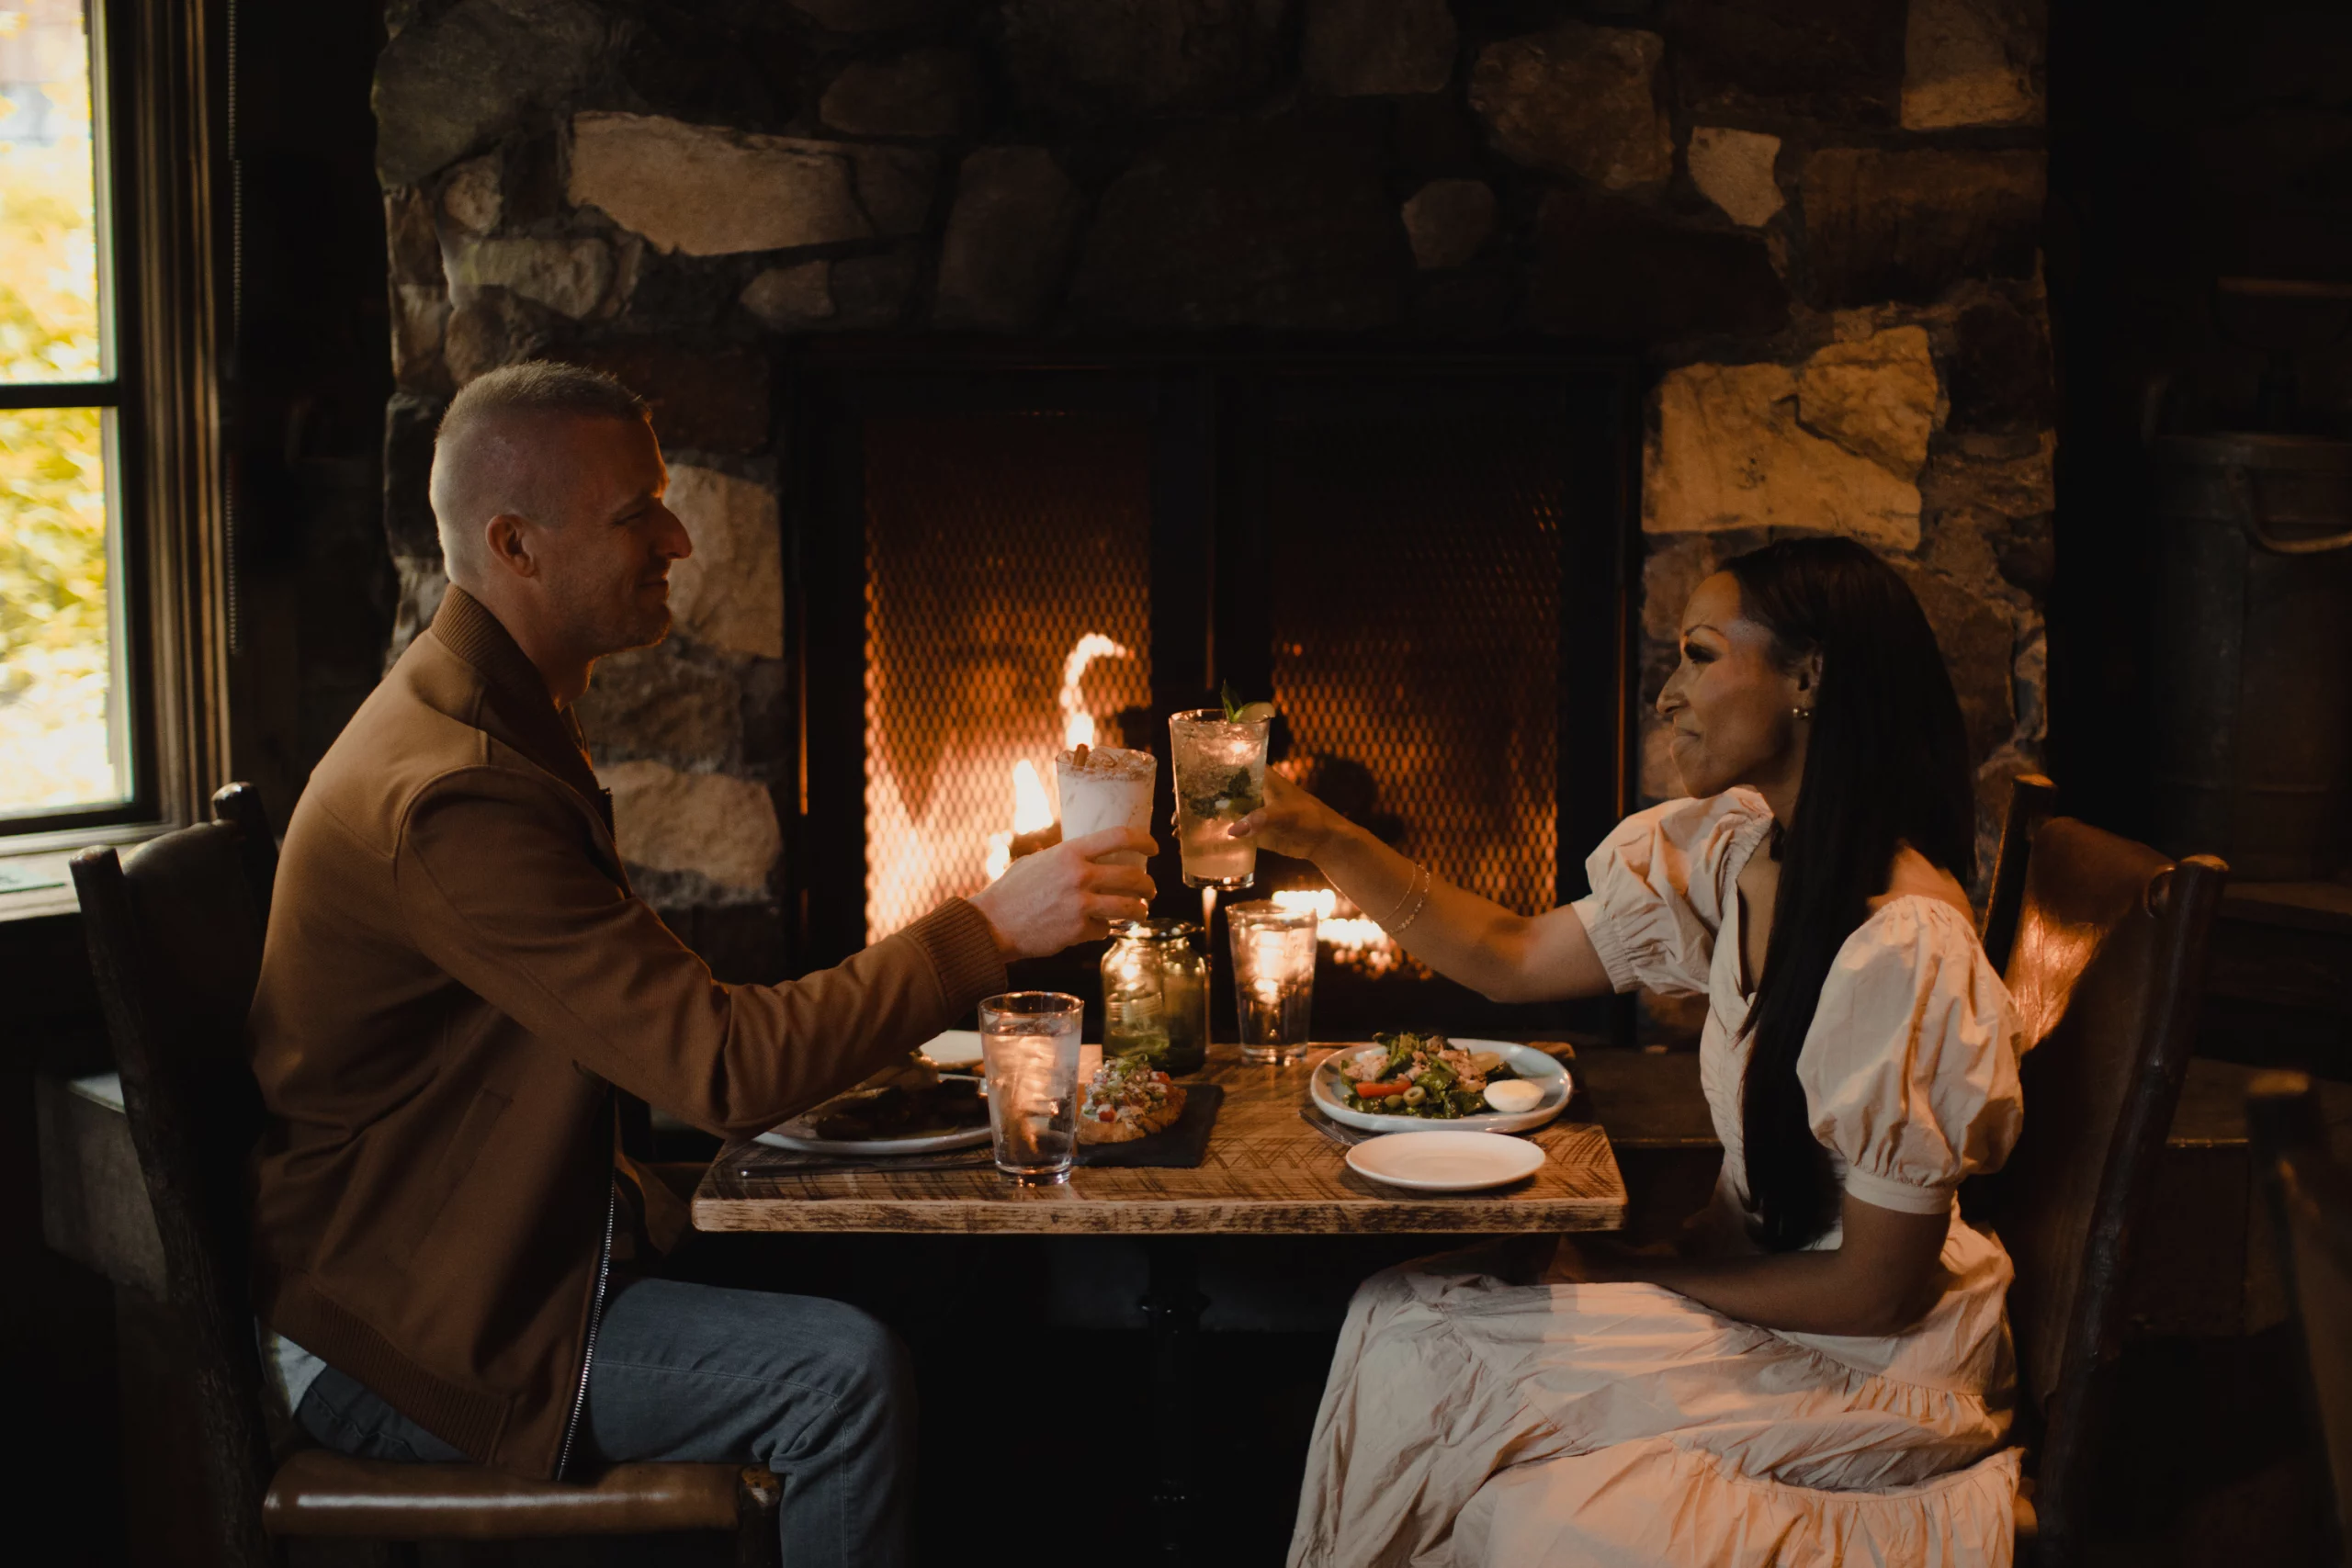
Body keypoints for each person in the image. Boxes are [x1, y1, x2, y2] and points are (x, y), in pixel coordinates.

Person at [246, 361, 1155, 1568]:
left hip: (517, 1264)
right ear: (515, 543)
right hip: (419, 1343)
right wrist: (985, 926)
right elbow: (715, 1067)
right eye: (638, 513)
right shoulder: (457, 790)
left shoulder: (496, 712)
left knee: (948, 1271)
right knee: (843, 1381)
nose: (678, 535)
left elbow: (674, 1043)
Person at [1236, 536, 2027, 1565]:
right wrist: (1327, 840)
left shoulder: (1904, 943)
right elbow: (1509, 958)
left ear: (1808, 677)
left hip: (1867, 1358)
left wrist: (1637, 1269)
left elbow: (1875, 1292)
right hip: (1755, 1276)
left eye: (1700, 655)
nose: (1666, 695)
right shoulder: (1737, 847)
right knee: (1397, 1311)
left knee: (1437, 1351)